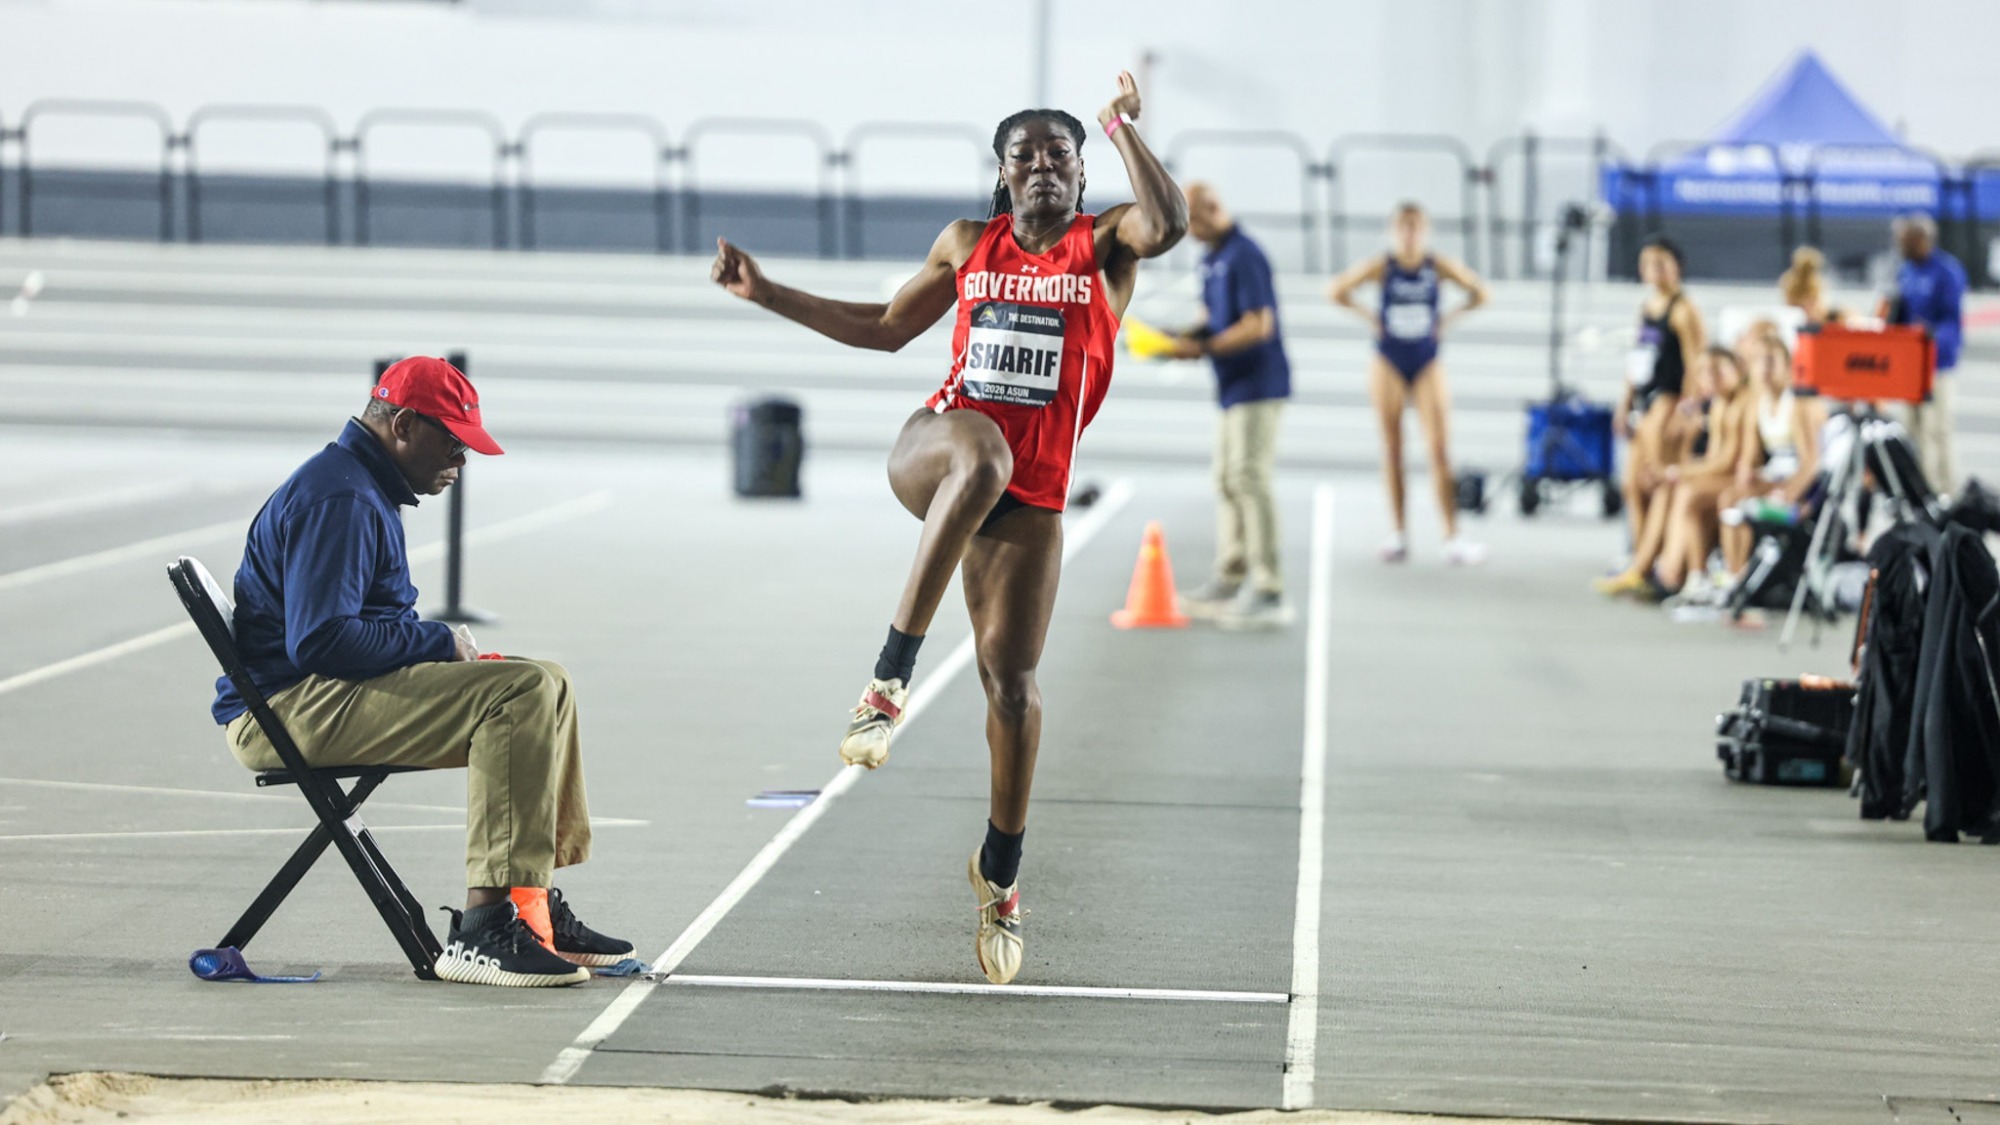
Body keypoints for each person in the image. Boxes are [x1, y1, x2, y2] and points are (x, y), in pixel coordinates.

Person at [709, 71, 1185, 985]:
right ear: (1002, 175)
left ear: (1083, 176)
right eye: (1025, 155)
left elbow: (1164, 224)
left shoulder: (1107, 248)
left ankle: (999, 874)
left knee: (1012, 686)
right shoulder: (969, 243)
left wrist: (1123, 126)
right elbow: (888, 329)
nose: (1043, 166)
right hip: (937, 448)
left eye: (1061, 154)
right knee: (980, 451)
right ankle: (888, 678)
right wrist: (768, 293)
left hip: (1029, 495)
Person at [211, 356, 631, 989]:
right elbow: (321, 641)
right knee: (520, 691)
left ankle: (529, 904)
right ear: (403, 425)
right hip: (287, 711)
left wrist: (435, 646)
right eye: (453, 443)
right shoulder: (341, 498)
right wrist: (436, 640)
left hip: (315, 694)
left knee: (549, 679)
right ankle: (485, 931)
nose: (460, 463)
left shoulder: (360, 484)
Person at [1327, 201, 1490, 564]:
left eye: (1416, 226)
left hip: (1427, 359)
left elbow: (1480, 292)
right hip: (1389, 360)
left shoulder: (1438, 266)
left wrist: (1448, 320)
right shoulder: (1382, 267)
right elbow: (1336, 290)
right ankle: (1398, 533)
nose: (1409, 233)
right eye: (1403, 226)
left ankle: (1452, 535)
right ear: (1393, 231)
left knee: (1439, 450)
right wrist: (1370, 318)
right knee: (1393, 448)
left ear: (1426, 231)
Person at [1170, 183, 1293, 628]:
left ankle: (1269, 589)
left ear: (1211, 210)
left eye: (1192, 223)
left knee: (1250, 478)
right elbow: (1212, 319)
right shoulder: (1212, 259)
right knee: (1226, 479)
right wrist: (1182, 338)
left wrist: (1204, 349)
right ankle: (1231, 575)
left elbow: (1260, 324)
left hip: (1259, 384)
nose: (1188, 234)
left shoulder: (1245, 254)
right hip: (1232, 385)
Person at [1594, 345, 1746, 598]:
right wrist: (1671, 467)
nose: (1712, 377)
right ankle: (1649, 566)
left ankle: (1672, 573)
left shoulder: (1740, 404)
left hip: (1738, 479)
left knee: (1684, 490)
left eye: (1718, 370)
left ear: (1737, 370)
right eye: (1705, 372)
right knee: (1662, 488)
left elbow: (1728, 461)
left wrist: (1677, 471)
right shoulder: (1710, 407)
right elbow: (1701, 457)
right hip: (1715, 472)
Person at [1616, 238, 1706, 553]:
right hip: (1645, 398)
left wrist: (1687, 408)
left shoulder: (1683, 310)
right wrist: (1624, 402)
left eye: (1660, 263)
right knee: (1632, 485)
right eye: (1647, 264)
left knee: (1657, 482)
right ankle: (1639, 554)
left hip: (1667, 400)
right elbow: (1638, 357)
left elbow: (1697, 364)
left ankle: (1657, 559)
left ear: (1676, 267)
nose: (1653, 270)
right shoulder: (1649, 306)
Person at [1882, 212, 1966, 492]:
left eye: (1906, 242)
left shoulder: (1947, 271)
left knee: (1937, 429)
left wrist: (1928, 337)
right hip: (1910, 363)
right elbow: (1899, 313)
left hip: (1937, 364)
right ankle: (1918, 489)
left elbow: (1951, 320)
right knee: (1912, 430)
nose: (1901, 247)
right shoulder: (1904, 271)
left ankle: (1945, 490)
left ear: (1923, 240)